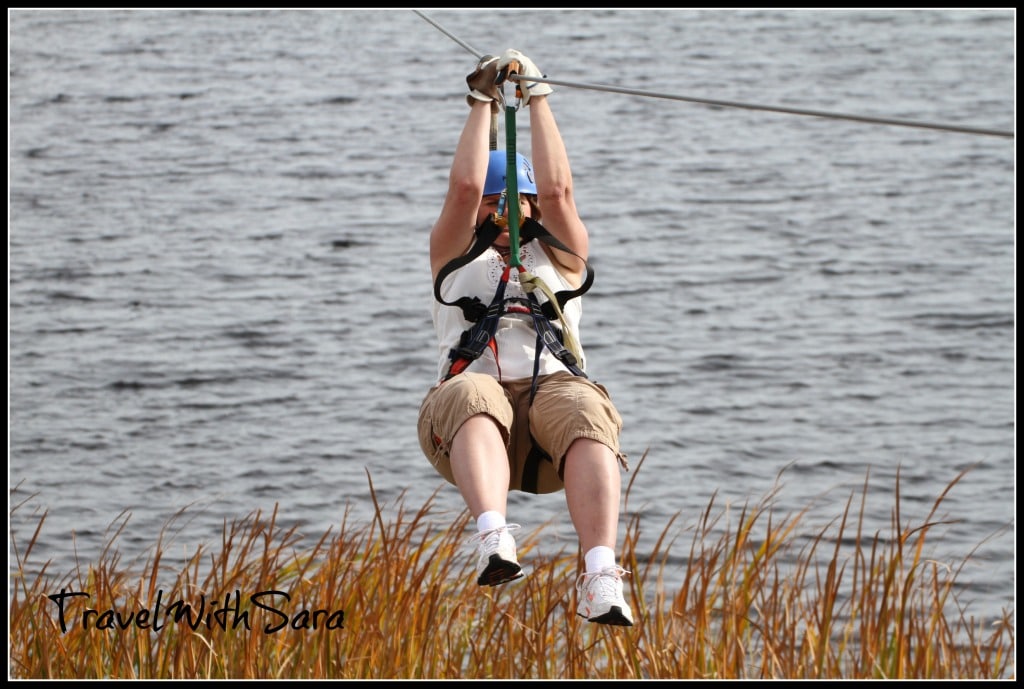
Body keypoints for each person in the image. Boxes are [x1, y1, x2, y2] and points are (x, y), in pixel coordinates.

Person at [417, 49, 633, 627]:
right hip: (467, 418)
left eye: (515, 199)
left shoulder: (560, 258)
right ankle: (493, 538)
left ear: (531, 205)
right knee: (474, 393)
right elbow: (463, 190)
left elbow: (560, 194)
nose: (504, 209)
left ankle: (600, 574)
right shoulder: (453, 257)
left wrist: (538, 97)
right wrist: (482, 103)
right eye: (495, 201)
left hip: (547, 422)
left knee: (588, 407)